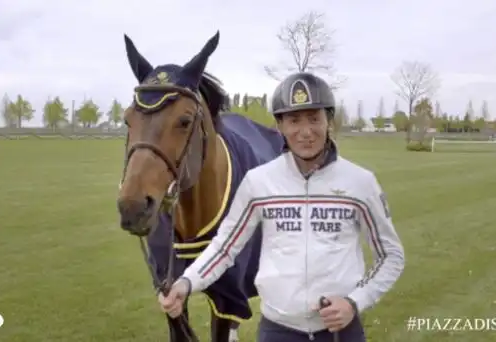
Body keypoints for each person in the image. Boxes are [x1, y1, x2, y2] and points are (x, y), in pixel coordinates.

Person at [158, 72, 405, 341]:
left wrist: (355, 301)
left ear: (328, 121)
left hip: (340, 331)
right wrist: (186, 282)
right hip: (278, 330)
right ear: (280, 126)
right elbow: (225, 247)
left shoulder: (360, 182)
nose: (306, 131)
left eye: (314, 118)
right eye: (294, 120)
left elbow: (390, 255)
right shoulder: (258, 182)